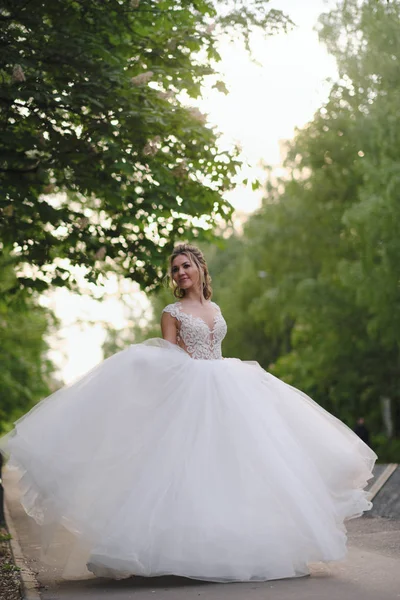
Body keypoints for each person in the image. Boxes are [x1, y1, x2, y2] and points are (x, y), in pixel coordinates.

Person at [1, 243, 377, 583]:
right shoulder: (172, 312)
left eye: (186, 266)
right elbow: (167, 358)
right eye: (175, 270)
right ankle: (172, 552)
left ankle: (234, 545)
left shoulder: (215, 307)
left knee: (238, 467)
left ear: (199, 268)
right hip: (190, 391)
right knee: (184, 468)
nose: (181, 273)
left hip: (227, 386)